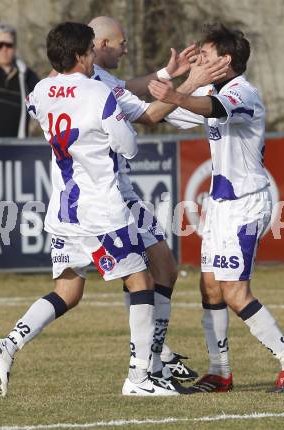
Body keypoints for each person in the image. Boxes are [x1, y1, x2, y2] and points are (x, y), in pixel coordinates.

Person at [0, 21, 177, 398]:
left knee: (68, 291)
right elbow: (129, 147)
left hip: (63, 209)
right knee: (141, 281)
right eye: (90, 51)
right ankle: (140, 377)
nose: (94, 57)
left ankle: (7, 345)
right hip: (101, 209)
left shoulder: (39, 91)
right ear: (79, 55)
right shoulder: (97, 92)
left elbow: (42, 110)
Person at [149, 23, 284, 393]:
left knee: (236, 292)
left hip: (246, 205)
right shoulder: (208, 90)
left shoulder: (243, 92)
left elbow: (213, 107)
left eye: (206, 56)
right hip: (221, 206)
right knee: (209, 287)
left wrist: (177, 93)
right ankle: (220, 371)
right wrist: (172, 90)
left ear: (225, 60)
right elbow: (164, 115)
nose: (200, 60)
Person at [87, 16, 227, 390]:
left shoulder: (96, 79)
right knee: (85, 287)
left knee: (164, 270)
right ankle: (144, 369)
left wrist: (168, 72)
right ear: (100, 45)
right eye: (122, 43)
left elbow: (127, 88)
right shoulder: (86, 83)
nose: (126, 48)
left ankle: (154, 360)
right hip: (107, 196)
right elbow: (148, 115)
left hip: (121, 192)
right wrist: (190, 85)